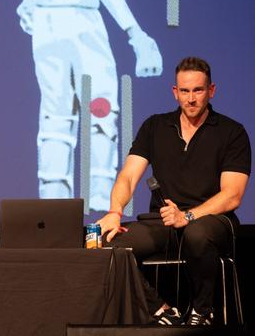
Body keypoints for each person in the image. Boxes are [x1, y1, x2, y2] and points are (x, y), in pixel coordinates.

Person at [97, 57, 251, 326]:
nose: (191, 99)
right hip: (164, 222)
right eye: (185, 91)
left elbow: (232, 195)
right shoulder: (155, 127)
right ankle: (161, 310)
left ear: (211, 90)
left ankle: (202, 312)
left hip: (211, 222)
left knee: (197, 233)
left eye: (198, 91)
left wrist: (188, 216)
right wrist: (114, 211)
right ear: (175, 92)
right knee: (104, 242)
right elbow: (129, 176)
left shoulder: (232, 132)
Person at [16, 0, 162, 210]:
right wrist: (135, 34)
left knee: (57, 114)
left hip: (50, 23)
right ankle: (101, 199)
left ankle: (56, 201)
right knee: (100, 110)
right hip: (79, 23)